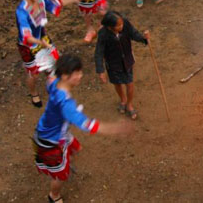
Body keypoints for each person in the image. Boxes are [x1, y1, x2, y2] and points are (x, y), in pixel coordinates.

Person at [33, 54, 132, 203]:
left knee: (73, 151)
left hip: (49, 132)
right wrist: (115, 129)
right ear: (65, 76)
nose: (81, 76)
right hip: (52, 140)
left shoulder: (54, 83)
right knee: (59, 175)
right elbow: (87, 124)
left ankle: (65, 162)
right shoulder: (66, 104)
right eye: (77, 73)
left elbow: (50, 76)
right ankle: (54, 196)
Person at [16, 0, 79, 108]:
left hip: (41, 39)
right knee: (33, 74)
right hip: (28, 46)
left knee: (53, 64)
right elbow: (26, 36)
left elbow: (53, 4)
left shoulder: (40, 0)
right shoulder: (21, 11)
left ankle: (55, 89)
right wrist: (41, 43)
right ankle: (33, 93)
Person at [95, 10, 149, 120]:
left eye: (122, 23)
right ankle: (123, 99)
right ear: (110, 27)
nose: (121, 26)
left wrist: (144, 40)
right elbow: (99, 52)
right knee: (117, 83)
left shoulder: (125, 24)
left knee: (129, 83)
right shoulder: (103, 34)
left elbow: (134, 34)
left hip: (127, 60)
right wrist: (100, 70)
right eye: (118, 25)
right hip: (113, 63)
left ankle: (129, 104)